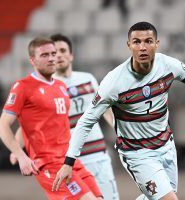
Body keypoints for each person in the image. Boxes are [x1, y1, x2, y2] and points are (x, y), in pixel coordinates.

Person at [52, 22, 185, 200]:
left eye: (148, 41)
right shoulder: (114, 83)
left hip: (165, 145)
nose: (142, 47)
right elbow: (86, 121)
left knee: (162, 195)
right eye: (136, 42)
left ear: (157, 43)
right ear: (128, 45)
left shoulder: (168, 66)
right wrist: (69, 161)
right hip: (137, 153)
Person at [0, 37, 103, 200]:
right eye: (45, 55)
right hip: (49, 164)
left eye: (53, 53)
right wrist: (19, 154)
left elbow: (35, 123)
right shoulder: (23, 87)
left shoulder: (60, 86)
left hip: (70, 160)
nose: (52, 58)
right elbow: (3, 126)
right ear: (32, 60)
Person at [51, 33, 119, 200]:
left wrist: (121, 131)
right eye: (54, 52)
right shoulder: (49, 87)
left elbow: (106, 110)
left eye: (62, 50)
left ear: (71, 55)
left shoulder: (87, 79)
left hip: (99, 155)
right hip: (71, 161)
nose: (59, 55)